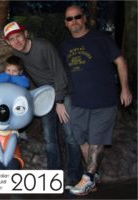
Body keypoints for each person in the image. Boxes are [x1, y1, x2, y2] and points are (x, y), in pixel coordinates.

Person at [61, 5, 132, 196]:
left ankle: (87, 178)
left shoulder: (101, 39)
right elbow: (61, 75)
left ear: (84, 19)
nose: (74, 21)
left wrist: (125, 88)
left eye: (77, 17)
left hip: (104, 101)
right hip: (78, 103)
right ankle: (92, 176)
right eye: (69, 19)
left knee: (96, 139)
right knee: (80, 139)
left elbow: (120, 61)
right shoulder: (66, 46)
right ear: (66, 23)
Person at [3, 21, 83, 187]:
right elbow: (18, 76)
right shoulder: (17, 56)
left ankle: (75, 176)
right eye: (12, 39)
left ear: (25, 34)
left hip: (63, 92)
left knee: (70, 135)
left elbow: (59, 73)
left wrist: (59, 101)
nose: (16, 41)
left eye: (18, 36)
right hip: (45, 95)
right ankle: (54, 177)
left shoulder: (43, 46)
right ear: (8, 42)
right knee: (49, 138)